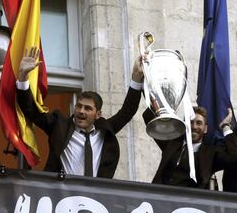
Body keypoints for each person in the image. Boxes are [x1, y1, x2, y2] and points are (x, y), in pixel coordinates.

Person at [16, 47, 144, 178]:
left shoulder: (105, 130)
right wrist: (22, 77)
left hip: (95, 196)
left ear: (98, 114)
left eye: (88, 108)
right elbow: (30, 110)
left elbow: (127, 112)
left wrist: (136, 79)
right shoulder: (59, 125)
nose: (81, 111)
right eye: (79, 106)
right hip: (62, 195)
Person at [143, 105, 237, 189]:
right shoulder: (171, 144)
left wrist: (225, 126)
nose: (194, 127)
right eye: (190, 122)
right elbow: (148, 117)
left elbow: (236, 158)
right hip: (161, 202)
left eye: (199, 123)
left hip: (191, 208)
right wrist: (158, 104)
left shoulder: (211, 154)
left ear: (205, 129)